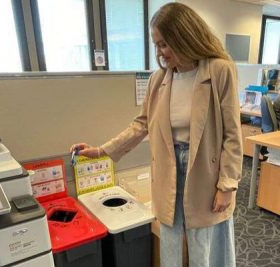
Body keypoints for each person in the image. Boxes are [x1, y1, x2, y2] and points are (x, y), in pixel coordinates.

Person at [70, 3, 242, 267]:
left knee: (204, 248)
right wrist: (101, 150)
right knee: (170, 244)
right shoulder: (158, 79)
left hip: (205, 172)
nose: (160, 52)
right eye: (156, 44)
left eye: (164, 44)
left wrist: (227, 185)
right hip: (168, 168)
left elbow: (232, 134)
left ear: (184, 37)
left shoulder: (219, 70)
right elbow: (141, 125)